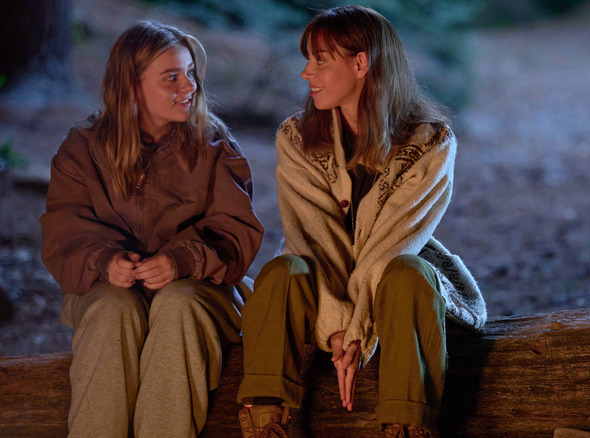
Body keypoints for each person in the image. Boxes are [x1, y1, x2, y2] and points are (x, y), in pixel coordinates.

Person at [236, 5, 486, 437]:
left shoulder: (431, 141)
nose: (305, 73)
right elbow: (314, 239)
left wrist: (357, 332)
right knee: (282, 270)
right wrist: (337, 329)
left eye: (320, 60)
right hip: (323, 287)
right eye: (307, 59)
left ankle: (406, 427)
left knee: (407, 271)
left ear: (361, 63)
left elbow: (390, 245)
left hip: (394, 290)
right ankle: (264, 422)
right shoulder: (296, 139)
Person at [39, 19, 264, 437]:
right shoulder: (83, 150)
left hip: (200, 291)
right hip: (106, 290)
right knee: (112, 309)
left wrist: (180, 260)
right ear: (131, 86)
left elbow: (236, 231)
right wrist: (105, 262)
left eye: (191, 72)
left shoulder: (214, 147)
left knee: (177, 304)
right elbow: (63, 231)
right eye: (171, 77)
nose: (189, 85)